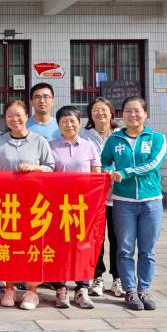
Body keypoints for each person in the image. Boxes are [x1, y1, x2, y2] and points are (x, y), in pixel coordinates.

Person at [101, 96, 167, 312]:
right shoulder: (114, 139)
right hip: (123, 202)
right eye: (128, 111)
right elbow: (104, 162)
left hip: (151, 202)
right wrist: (108, 171)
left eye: (137, 110)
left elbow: (153, 163)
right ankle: (130, 290)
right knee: (125, 249)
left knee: (148, 250)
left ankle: (144, 290)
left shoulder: (156, 138)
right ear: (122, 115)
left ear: (145, 114)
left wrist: (125, 172)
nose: (132, 115)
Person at [0, 99, 55, 310]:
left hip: (33, 202)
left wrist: (35, 168)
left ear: (27, 117)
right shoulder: (0, 141)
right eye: (10, 115)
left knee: (32, 247)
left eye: (19, 115)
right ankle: (9, 288)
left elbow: (51, 167)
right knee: (8, 246)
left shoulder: (39, 141)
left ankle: (32, 290)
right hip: (6, 203)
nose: (15, 119)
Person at [49, 105, 101, 310]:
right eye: (64, 121)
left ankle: (82, 288)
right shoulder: (50, 146)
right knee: (59, 246)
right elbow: (46, 175)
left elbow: (96, 176)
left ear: (80, 123)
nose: (68, 124)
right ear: (58, 124)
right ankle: (60, 288)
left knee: (82, 246)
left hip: (83, 206)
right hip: (57, 205)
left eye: (72, 121)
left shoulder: (89, 146)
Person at [82, 97, 120, 297]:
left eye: (104, 110)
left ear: (111, 112)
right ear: (90, 114)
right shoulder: (84, 135)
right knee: (95, 238)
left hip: (118, 196)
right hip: (93, 197)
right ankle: (96, 277)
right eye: (95, 110)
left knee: (117, 238)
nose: (100, 113)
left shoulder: (121, 134)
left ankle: (117, 278)